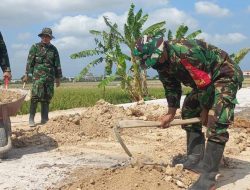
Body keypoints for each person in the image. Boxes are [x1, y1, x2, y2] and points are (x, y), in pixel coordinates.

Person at [133, 35, 243, 190]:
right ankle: (195, 157)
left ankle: (208, 177)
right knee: (189, 109)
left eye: (156, 59)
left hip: (224, 75)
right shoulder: (161, 64)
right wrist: (170, 114)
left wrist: (206, 109)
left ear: (161, 49)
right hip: (204, 84)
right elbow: (171, 86)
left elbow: (205, 84)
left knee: (216, 120)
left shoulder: (186, 52)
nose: (156, 64)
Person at [23, 28, 62, 127]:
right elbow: (29, 62)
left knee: (46, 97)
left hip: (49, 77)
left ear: (50, 38)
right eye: (44, 36)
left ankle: (44, 119)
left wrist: (58, 78)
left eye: (47, 36)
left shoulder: (54, 49)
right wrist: (27, 74)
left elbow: (57, 64)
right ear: (41, 37)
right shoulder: (35, 47)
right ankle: (31, 119)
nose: (45, 38)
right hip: (37, 77)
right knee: (35, 97)